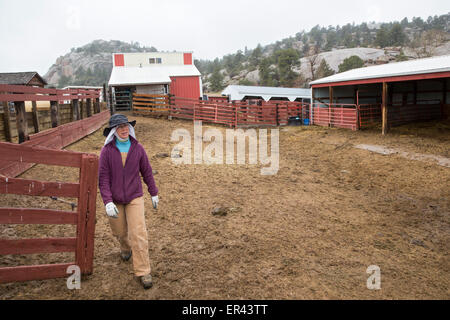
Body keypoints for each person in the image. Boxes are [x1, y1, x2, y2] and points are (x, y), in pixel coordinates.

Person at [98, 113, 159, 289]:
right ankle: (125, 247)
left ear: (130, 128)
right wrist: (107, 201)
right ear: (113, 131)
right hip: (115, 199)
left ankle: (143, 271)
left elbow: (147, 171)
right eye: (120, 127)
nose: (124, 129)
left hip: (134, 197)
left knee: (139, 233)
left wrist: (153, 192)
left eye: (126, 126)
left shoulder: (138, 148)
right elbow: (103, 179)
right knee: (119, 230)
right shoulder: (107, 151)